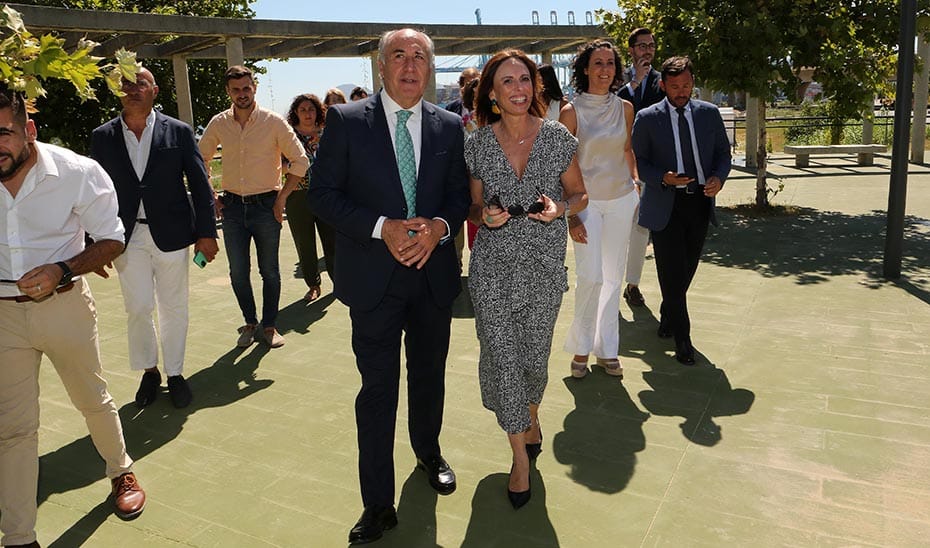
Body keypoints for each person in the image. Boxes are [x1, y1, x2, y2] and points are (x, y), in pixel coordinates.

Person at [307, 28, 469, 545]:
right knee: (377, 391)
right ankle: (377, 503)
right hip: (372, 280)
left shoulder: (449, 126)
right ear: (381, 67)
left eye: (420, 56)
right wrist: (383, 228)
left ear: (430, 68)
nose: (410, 65)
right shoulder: (346, 121)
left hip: (432, 279)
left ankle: (429, 453)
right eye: (399, 55)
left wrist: (440, 228)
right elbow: (322, 195)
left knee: (429, 377)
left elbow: (458, 197)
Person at [0, 88, 145, 547]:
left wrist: (62, 269)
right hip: (3, 318)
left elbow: (112, 238)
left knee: (92, 399)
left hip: (65, 307)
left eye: (3, 133)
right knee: (14, 428)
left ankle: (120, 470)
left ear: (28, 130)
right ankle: (19, 536)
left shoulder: (77, 172)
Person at [467, 49, 586, 509]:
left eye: (524, 80)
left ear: (535, 87)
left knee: (534, 360)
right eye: (507, 82)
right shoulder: (477, 144)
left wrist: (562, 209)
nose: (517, 89)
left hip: (542, 266)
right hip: (492, 267)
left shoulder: (557, 137)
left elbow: (579, 192)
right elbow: (472, 205)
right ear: (492, 94)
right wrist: (483, 215)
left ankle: (530, 416)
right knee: (503, 357)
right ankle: (520, 458)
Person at [90, 67, 218, 410]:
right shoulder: (102, 136)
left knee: (174, 306)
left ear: (155, 90)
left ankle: (175, 373)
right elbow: (93, 193)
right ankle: (150, 371)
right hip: (124, 237)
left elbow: (200, 184)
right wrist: (93, 243)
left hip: (172, 233)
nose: (133, 89)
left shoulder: (178, 131)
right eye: (126, 83)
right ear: (117, 90)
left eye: (141, 83)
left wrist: (206, 233)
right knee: (138, 307)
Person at [199, 65, 309, 349]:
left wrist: (282, 198)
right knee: (238, 272)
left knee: (269, 270)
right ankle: (250, 323)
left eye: (246, 88)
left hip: (266, 206)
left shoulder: (273, 122)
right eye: (236, 90)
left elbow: (301, 161)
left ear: (254, 88)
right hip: (232, 208)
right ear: (228, 92)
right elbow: (200, 160)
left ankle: (269, 326)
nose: (242, 94)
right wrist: (212, 196)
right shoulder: (219, 123)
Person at [632, 56, 731, 365]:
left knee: (686, 269)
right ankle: (683, 339)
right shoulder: (647, 118)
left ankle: (668, 312)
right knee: (671, 270)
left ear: (693, 83)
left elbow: (723, 154)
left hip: (699, 201)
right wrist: (663, 177)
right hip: (665, 204)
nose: (681, 91)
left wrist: (718, 178)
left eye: (686, 85)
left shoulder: (709, 114)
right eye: (674, 86)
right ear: (663, 86)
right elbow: (638, 162)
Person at [561, 40, 639, 380]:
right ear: (585, 69)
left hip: (621, 200)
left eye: (610, 63)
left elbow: (626, 149)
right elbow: (561, 166)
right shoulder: (570, 112)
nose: (605, 70)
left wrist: (635, 183)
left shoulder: (626, 108)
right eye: (598, 63)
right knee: (590, 276)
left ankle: (607, 349)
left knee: (612, 277)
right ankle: (581, 346)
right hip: (586, 205)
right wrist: (571, 215)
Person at [619, 27, 666, 309]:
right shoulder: (616, 79)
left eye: (651, 45)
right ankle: (610, 284)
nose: (647, 51)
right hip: (617, 165)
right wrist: (633, 84)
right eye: (642, 46)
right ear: (631, 50)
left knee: (640, 227)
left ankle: (632, 285)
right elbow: (616, 108)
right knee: (614, 229)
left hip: (648, 165)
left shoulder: (664, 81)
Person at [279, 93, 335, 303]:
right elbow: (278, 165)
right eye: (302, 110)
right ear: (295, 112)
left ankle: (339, 282)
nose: (307, 113)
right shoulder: (287, 135)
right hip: (298, 195)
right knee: (304, 243)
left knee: (333, 240)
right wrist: (295, 166)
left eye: (311, 109)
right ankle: (313, 285)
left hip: (327, 195)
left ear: (318, 111)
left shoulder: (328, 133)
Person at [444, 66, 480, 264]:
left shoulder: (492, 109)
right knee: (455, 227)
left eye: (476, 80)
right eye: (468, 81)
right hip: (458, 176)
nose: (472, 85)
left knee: (478, 225)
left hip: (480, 178)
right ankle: (455, 265)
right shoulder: (450, 109)